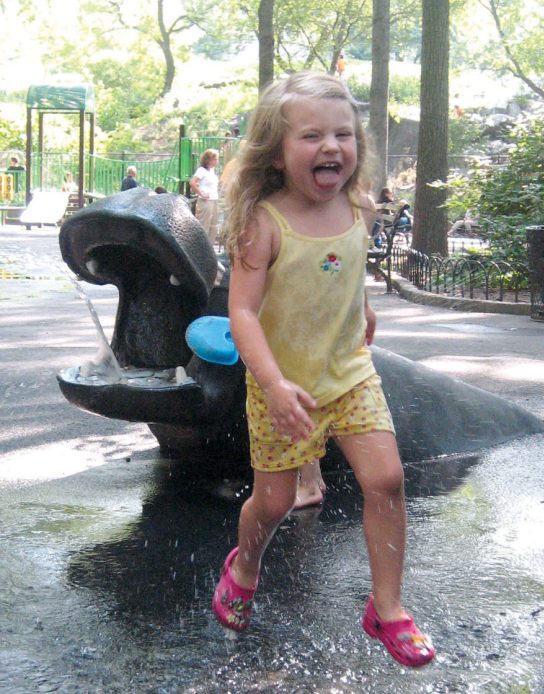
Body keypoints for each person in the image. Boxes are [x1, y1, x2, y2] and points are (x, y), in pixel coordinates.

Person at [212, 71, 435, 669]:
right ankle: (247, 564)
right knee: (275, 501)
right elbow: (242, 310)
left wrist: (360, 306)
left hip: (348, 374)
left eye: (343, 134)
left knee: (386, 479)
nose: (331, 146)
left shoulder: (359, 206)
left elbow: (344, 267)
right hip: (282, 384)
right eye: (311, 135)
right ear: (278, 153)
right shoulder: (264, 223)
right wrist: (273, 382)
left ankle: (387, 607)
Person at [190, 148, 219, 245]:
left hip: (214, 200)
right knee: (204, 225)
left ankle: (209, 247)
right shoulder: (201, 170)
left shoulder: (212, 171)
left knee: (213, 226)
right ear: (208, 160)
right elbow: (192, 182)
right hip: (205, 201)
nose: (216, 161)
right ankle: (200, 247)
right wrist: (201, 193)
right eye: (214, 159)